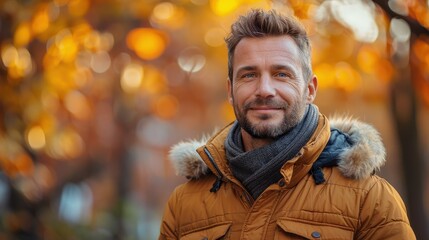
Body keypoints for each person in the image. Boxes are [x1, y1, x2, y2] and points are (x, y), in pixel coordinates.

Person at [159, 9, 416, 239]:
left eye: (281, 74)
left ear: (310, 89)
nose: (265, 90)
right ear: (230, 90)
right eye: (249, 75)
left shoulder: (369, 199)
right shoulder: (185, 203)